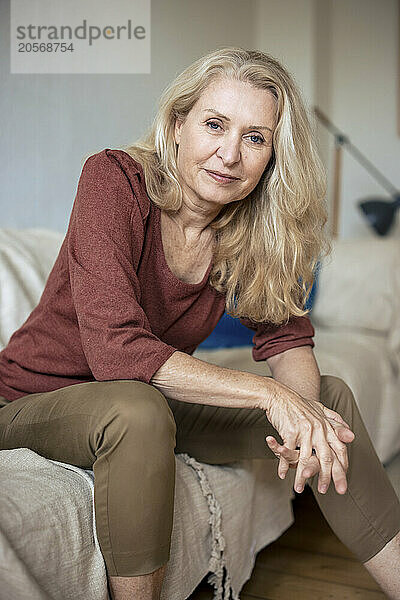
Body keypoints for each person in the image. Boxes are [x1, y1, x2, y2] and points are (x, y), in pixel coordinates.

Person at [0, 46, 399, 600]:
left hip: (146, 402)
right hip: (34, 399)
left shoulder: (248, 229)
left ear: (273, 156)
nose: (229, 154)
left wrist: (301, 415)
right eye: (215, 124)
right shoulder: (114, 180)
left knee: (326, 402)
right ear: (178, 123)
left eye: (256, 137)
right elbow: (117, 352)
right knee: (135, 409)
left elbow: (287, 339)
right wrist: (268, 397)